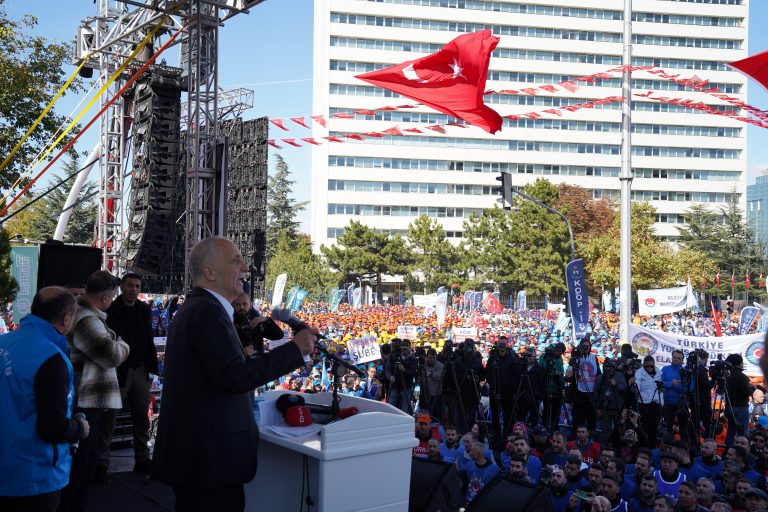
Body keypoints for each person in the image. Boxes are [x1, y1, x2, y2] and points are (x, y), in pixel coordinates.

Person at [151, 237, 317, 511]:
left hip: (204, 458)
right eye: (236, 260)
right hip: (208, 461)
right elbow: (234, 377)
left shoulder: (203, 309)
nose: (246, 267)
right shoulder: (207, 313)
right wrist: (295, 351)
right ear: (210, 272)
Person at [0, 288, 90, 512]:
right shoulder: (51, 359)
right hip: (33, 478)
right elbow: (52, 427)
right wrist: (81, 428)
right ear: (67, 318)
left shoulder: (4, 343)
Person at [58, 270, 130, 512]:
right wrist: (122, 345)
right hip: (86, 402)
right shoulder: (87, 320)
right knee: (81, 470)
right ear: (106, 298)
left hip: (88, 400)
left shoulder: (85, 317)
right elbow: (111, 355)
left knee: (84, 469)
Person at [96, 272, 158, 483]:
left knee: (141, 417)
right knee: (109, 419)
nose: (133, 289)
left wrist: (151, 368)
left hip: (139, 368)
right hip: (117, 370)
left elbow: (148, 339)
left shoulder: (143, 309)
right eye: (130, 285)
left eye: (137, 286)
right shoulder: (112, 311)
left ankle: (142, 458)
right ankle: (101, 464)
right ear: (122, 286)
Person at [569, 336, 600, 431]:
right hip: (579, 392)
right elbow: (570, 373)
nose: (586, 348)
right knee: (578, 417)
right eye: (584, 346)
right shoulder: (576, 356)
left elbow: (598, 373)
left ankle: (591, 434)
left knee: (591, 417)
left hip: (591, 392)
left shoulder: (594, 357)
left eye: (588, 346)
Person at [660, 350, 692, 442]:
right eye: (674, 357)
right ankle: (666, 448)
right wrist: (673, 383)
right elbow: (661, 383)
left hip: (681, 404)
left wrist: (675, 385)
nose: (676, 359)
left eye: (678, 358)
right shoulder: (665, 369)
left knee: (683, 430)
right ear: (671, 357)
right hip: (668, 403)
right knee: (667, 429)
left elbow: (688, 389)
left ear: (682, 360)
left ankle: (684, 450)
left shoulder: (686, 371)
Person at [634, 355, 663, 449]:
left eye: (651, 366)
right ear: (643, 365)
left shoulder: (659, 372)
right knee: (643, 429)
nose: (650, 368)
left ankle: (652, 448)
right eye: (647, 366)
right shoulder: (639, 373)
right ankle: (642, 448)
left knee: (654, 430)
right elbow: (636, 385)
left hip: (656, 404)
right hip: (643, 403)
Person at [725, 354, 752, 447]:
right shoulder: (742, 376)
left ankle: (728, 449)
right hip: (740, 408)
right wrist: (752, 389)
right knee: (742, 432)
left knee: (731, 430)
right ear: (740, 363)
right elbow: (746, 392)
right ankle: (741, 451)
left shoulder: (726, 375)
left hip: (729, 407)